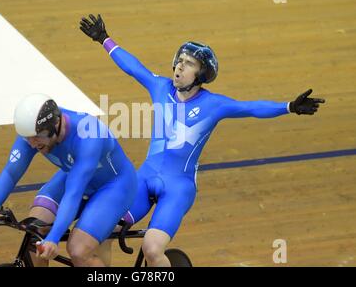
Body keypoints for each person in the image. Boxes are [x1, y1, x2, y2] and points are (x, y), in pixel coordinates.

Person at [80, 14, 325, 266]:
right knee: (103, 232)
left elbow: (252, 108)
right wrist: (104, 39)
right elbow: (133, 67)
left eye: (189, 64)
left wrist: (289, 106)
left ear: (201, 74)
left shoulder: (213, 104)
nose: (179, 67)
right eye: (180, 61)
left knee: (152, 250)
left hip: (178, 187)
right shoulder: (160, 87)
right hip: (144, 178)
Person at [0, 93, 137, 266]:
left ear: (55, 125)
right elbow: (10, 174)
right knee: (34, 233)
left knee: (78, 250)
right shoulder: (33, 130)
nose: (31, 144)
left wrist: (53, 238)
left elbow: (73, 193)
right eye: (27, 138)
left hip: (113, 187)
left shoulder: (89, 135)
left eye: (36, 137)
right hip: (74, 176)